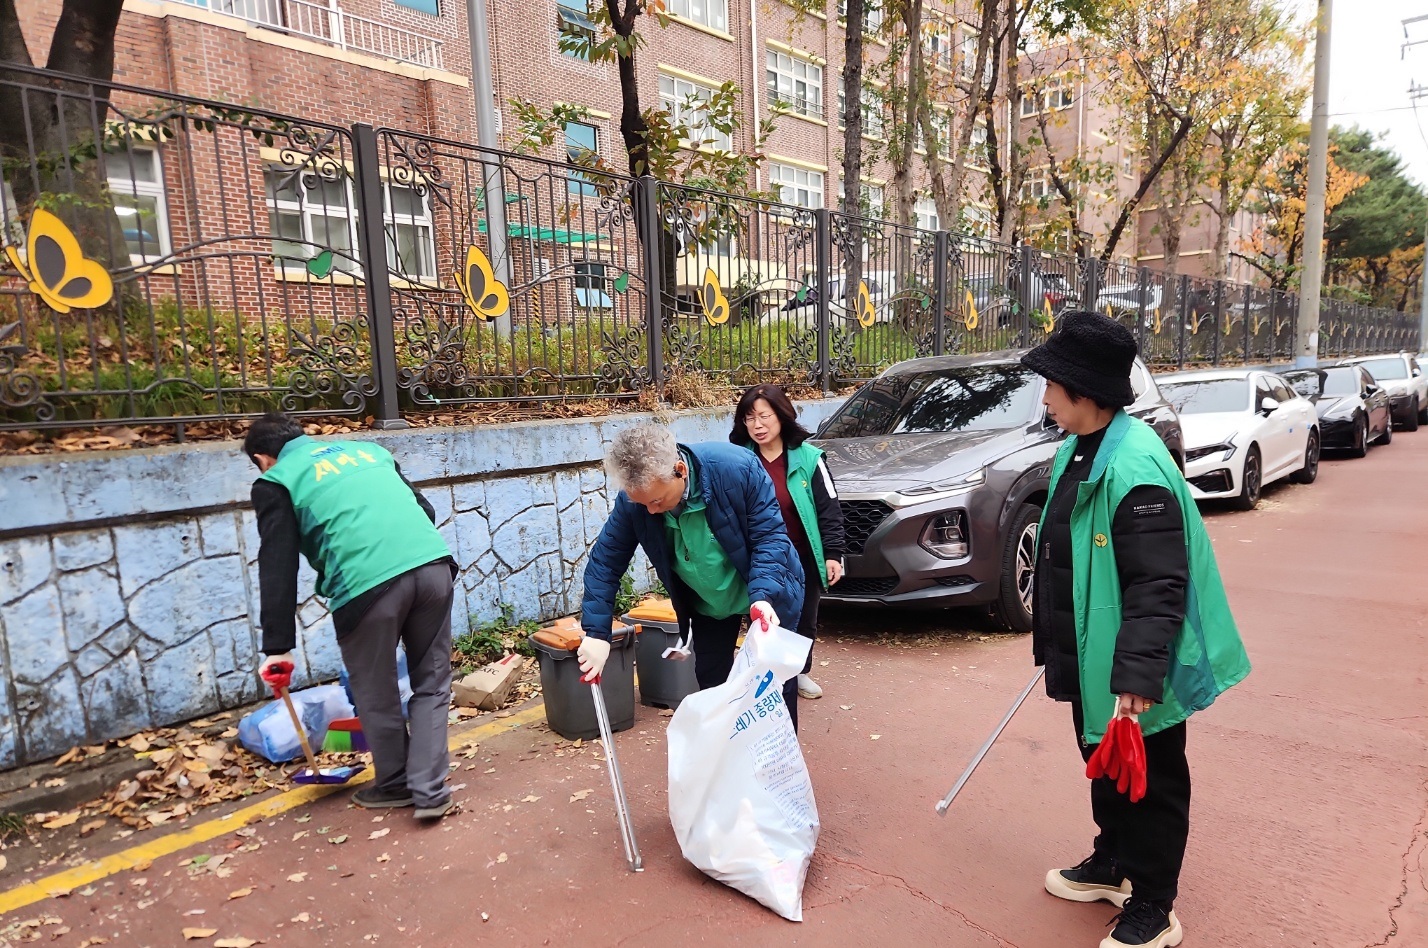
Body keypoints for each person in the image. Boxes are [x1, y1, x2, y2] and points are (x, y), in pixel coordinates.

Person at [1021, 312, 1251, 948]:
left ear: (1085, 392)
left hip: (1134, 664)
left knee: (1152, 780)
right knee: (1103, 763)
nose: (1044, 397)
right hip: (1090, 653)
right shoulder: (1081, 447)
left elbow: (1158, 582)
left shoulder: (1137, 468)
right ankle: (1113, 862)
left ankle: (1154, 903)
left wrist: (1138, 677)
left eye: (1051, 385)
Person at [245, 413, 458, 819]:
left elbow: (278, 564)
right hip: (432, 566)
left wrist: (277, 648)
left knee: (375, 691)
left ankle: (395, 783)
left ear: (262, 458)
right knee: (432, 684)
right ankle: (431, 792)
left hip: (365, 587)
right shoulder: (369, 451)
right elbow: (424, 510)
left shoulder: (276, 481)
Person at [578, 423, 807, 724]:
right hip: (709, 602)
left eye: (656, 501)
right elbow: (605, 563)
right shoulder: (636, 502)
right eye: (642, 503)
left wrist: (763, 596)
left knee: (773, 687)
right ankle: (726, 760)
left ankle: (776, 766)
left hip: (767, 593)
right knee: (713, 681)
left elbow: (770, 537)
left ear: (680, 470)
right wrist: (597, 633)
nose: (649, 511)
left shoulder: (737, 468)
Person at [728, 383, 845, 701]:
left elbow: (829, 508)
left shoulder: (809, 458)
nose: (757, 425)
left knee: (804, 618)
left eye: (764, 416)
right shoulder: (739, 460)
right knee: (761, 619)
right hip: (759, 556)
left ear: (782, 415)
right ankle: (762, 678)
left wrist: (833, 553)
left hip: (802, 554)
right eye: (749, 418)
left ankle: (799, 673)